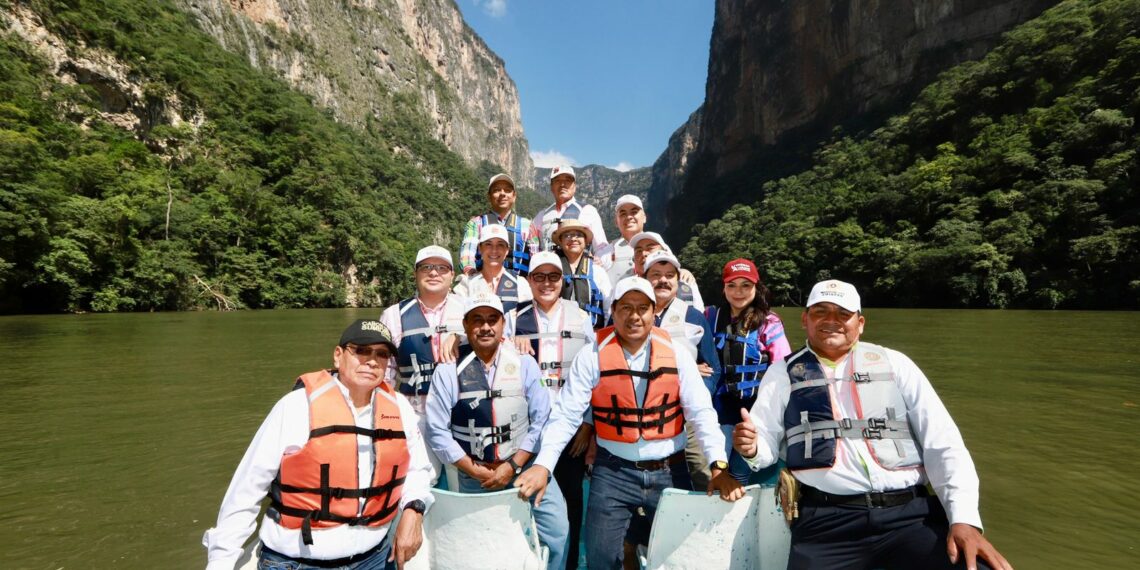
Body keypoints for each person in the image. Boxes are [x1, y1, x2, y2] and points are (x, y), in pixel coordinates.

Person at [733, 280, 1013, 570]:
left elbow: (943, 445)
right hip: (827, 522)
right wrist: (752, 447)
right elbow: (764, 441)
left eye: (843, 314)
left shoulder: (896, 364)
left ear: (860, 323)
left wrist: (964, 520)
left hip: (911, 516)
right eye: (821, 312)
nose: (832, 321)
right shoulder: (782, 373)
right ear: (805, 319)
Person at [515, 277, 745, 570]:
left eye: (642, 308)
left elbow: (701, 413)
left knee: (677, 557)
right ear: (613, 310)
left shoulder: (677, 354)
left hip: (669, 470)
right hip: (613, 471)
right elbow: (566, 414)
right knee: (600, 559)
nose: (634, 316)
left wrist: (719, 466)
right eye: (625, 307)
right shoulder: (592, 355)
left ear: (653, 312)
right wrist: (543, 465)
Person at [203, 320, 434, 569]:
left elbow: (417, 469)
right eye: (362, 350)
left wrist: (414, 509)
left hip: (373, 558)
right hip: (297, 562)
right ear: (338, 355)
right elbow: (246, 491)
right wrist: (221, 562)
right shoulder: (296, 406)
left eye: (382, 354)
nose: (372, 360)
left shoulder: (399, 407)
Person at [425, 294, 570, 570]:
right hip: (472, 474)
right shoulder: (447, 370)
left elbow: (542, 419)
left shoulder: (525, 362)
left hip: (523, 466)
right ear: (466, 326)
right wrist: (472, 469)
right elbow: (436, 430)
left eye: (493, 319)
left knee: (557, 531)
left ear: (504, 324)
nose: (486, 327)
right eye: (477, 320)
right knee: (475, 544)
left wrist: (515, 463)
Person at [511, 251, 597, 570]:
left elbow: (594, 377)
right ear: (529, 281)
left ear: (563, 280)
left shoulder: (582, 317)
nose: (546, 283)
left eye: (553, 276)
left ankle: (570, 564)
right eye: (539, 277)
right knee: (527, 503)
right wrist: (510, 345)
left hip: (572, 429)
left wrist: (588, 427)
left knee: (572, 501)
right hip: (527, 431)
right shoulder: (512, 319)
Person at [380, 246, 467, 484]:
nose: (433, 273)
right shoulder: (393, 315)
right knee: (420, 481)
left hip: (461, 414)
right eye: (426, 267)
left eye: (441, 268)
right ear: (416, 274)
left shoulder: (470, 311)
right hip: (416, 413)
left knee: (465, 481)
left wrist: (461, 335)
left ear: (451, 275)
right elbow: (384, 374)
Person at [705, 258, 792, 485]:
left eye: (746, 285)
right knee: (716, 469)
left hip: (755, 409)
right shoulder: (710, 317)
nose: (739, 292)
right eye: (732, 285)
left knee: (740, 472)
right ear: (723, 288)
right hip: (719, 409)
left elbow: (783, 367)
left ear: (756, 287)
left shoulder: (769, 323)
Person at [643, 250, 722, 489]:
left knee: (701, 469)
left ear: (678, 282)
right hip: (643, 415)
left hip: (686, 414)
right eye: (655, 275)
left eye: (669, 275)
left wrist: (695, 394)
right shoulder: (630, 313)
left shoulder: (694, 316)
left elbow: (713, 369)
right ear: (644, 278)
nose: (663, 280)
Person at [458, 173, 532, 277]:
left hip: (519, 287)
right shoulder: (476, 223)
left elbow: (536, 257)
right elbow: (467, 256)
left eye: (507, 190)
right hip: (483, 286)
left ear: (514, 196)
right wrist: (472, 275)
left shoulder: (527, 225)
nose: (502, 194)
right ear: (489, 196)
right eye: (497, 190)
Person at [529, 165, 609, 257]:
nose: (562, 184)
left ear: (574, 186)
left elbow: (601, 247)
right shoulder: (541, 216)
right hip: (549, 269)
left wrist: (599, 260)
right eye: (558, 181)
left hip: (579, 270)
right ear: (551, 187)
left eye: (567, 181)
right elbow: (532, 243)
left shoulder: (588, 211)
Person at [453, 224, 532, 313]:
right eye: (488, 244)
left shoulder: (520, 284)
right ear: (480, 248)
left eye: (500, 245)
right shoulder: (466, 284)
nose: (494, 250)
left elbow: (528, 318)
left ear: (507, 250)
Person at [552, 219, 612, 329]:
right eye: (567, 235)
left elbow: (608, 308)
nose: (573, 239)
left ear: (586, 241)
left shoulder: (598, 271)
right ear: (560, 241)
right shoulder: (552, 270)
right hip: (558, 335)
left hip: (593, 335)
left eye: (578, 235)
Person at [628, 231, 704, 311]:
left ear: (665, 252)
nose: (643, 253)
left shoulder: (686, 282)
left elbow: (699, 316)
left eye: (650, 248)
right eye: (638, 251)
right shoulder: (626, 286)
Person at [606, 194, 647, 284]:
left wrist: (684, 272)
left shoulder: (658, 246)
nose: (629, 217)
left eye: (634, 212)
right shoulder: (606, 252)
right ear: (616, 222)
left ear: (644, 217)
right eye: (623, 213)